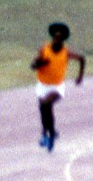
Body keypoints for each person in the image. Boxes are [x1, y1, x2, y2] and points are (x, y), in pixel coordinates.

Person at [31, 21, 86, 152]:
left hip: (56, 87)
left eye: (60, 39)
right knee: (44, 109)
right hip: (42, 85)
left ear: (63, 41)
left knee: (45, 104)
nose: (57, 41)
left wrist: (80, 77)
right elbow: (33, 66)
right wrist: (39, 63)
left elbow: (82, 59)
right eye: (55, 38)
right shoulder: (44, 49)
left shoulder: (66, 52)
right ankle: (48, 133)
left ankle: (49, 134)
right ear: (52, 39)